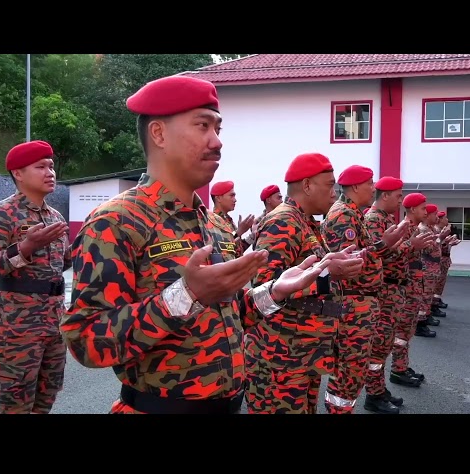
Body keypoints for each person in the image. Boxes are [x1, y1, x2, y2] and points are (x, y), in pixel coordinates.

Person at [59, 75, 331, 414]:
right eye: (203, 126)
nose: (216, 142)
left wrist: (274, 291)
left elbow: (227, 315)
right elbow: (86, 341)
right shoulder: (116, 221)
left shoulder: (213, 224)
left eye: (218, 130)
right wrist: (185, 296)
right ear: (158, 134)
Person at [245, 153, 364, 414]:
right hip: (279, 358)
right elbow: (264, 289)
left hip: (301, 353)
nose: (334, 194)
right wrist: (327, 273)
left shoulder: (305, 223)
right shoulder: (283, 222)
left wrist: (330, 266)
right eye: (329, 185)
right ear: (308, 185)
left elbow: (304, 274)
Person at [0, 140, 70, 414]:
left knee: (46, 399)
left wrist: (79, 251)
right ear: (18, 174)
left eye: (52, 166)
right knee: (15, 405)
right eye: (41, 166)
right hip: (18, 327)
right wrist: (24, 249)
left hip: (55, 321)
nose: (50, 172)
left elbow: (60, 264)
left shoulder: (53, 216)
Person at [321, 165, 409, 414]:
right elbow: (349, 263)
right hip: (351, 304)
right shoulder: (344, 216)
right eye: (370, 184)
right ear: (356, 187)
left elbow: (361, 254)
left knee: (355, 369)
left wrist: (383, 245)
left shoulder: (353, 213)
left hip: (361, 303)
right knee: (349, 370)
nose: (374, 188)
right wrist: (385, 245)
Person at [362, 177, 433, 414]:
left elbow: (392, 251)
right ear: (385, 196)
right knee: (379, 345)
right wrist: (411, 245)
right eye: (398, 196)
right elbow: (377, 253)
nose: (400, 200)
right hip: (384, 291)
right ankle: (373, 395)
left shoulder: (384, 219)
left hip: (394, 291)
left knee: (383, 346)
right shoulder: (373, 219)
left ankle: (379, 390)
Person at [390, 192, 436, 386]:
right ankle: (397, 370)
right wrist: (412, 244)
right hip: (406, 289)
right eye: (423, 208)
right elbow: (394, 256)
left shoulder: (414, 229)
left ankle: (402, 366)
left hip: (414, 287)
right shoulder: (404, 229)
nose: (425, 212)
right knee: (402, 332)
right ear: (412, 209)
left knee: (407, 331)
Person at [210, 180, 255, 257]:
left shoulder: (228, 220)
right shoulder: (212, 220)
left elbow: (235, 251)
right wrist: (239, 232)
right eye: (231, 195)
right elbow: (221, 247)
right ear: (218, 198)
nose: (235, 200)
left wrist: (252, 236)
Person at [433, 211, 461, 308]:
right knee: (438, 282)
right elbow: (437, 246)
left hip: (444, 259)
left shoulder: (441, 230)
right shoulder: (437, 231)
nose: (447, 220)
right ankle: (434, 303)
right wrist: (448, 243)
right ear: (440, 219)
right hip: (440, 260)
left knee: (441, 282)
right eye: (445, 218)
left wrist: (450, 243)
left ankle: (437, 300)